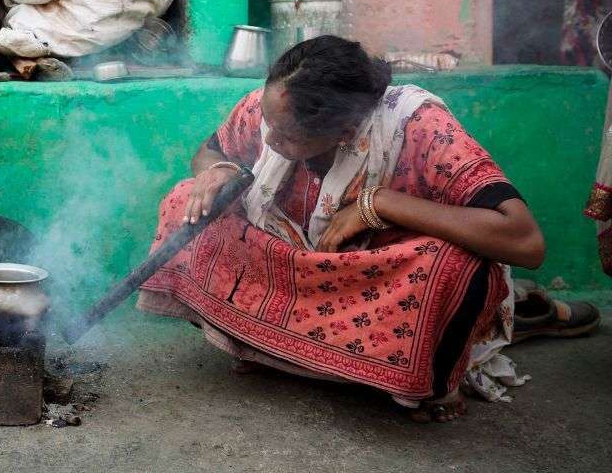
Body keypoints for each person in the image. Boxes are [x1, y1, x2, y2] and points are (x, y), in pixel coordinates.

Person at [137, 35, 546, 422]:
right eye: (267, 123)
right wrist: (218, 172)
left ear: (345, 132)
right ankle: (269, 348)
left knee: (452, 267)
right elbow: (209, 153)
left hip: (371, 277)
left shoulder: (419, 126)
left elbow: (524, 240)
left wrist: (378, 203)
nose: (268, 139)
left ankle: (419, 371)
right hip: (292, 265)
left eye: (287, 136)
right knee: (184, 203)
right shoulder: (270, 111)